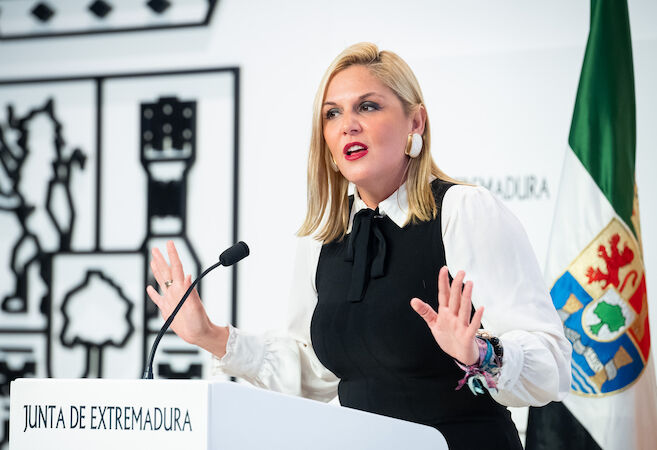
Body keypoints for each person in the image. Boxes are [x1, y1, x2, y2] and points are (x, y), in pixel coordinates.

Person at [146, 42, 571, 449]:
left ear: (415, 123)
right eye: (332, 113)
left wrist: (480, 353)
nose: (347, 124)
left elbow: (552, 364)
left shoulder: (464, 210)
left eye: (368, 106)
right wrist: (211, 336)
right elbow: (314, 374)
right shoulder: (324, 237)